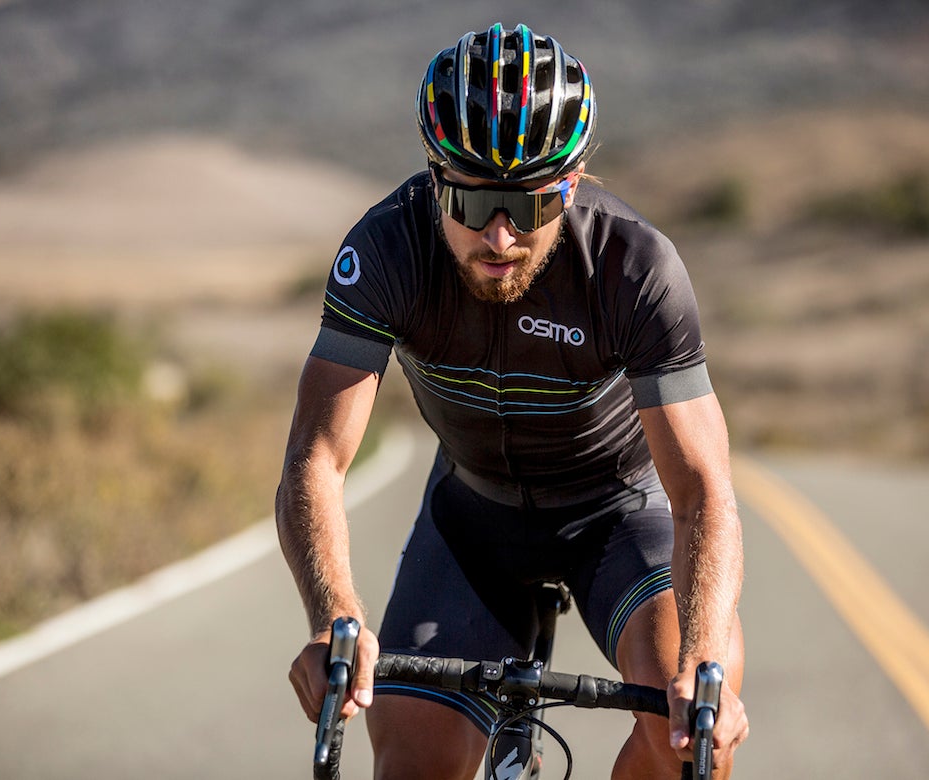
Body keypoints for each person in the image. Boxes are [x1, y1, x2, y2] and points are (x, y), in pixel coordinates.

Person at [278, 22, 749, 779]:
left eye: (528, 207)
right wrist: (334, 616)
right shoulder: (387, 251)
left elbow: (701, 492)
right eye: (472, 202)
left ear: (573, 184)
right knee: (410, 766)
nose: (499, 237)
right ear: (435, 177)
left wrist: (701, 661)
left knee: (692, 736)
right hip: (474, 519)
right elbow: (317, 458)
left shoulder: (635, 267)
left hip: (618, 516)